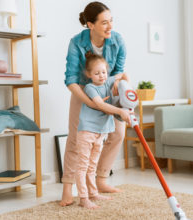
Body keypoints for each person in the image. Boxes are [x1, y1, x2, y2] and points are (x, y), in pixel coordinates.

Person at [61, 1, 129, 206]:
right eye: (104, 23)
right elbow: (71, 80)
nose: (110, 27)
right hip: (83, 91)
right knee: (75, 139)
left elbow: (119, 69)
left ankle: (100, 180)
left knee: (118, 133)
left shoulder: (117, 40)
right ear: (90, 25)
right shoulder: (77, 42)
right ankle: (67, 189)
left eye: (111, 21)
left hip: (109, 88)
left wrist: (117, 85)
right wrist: (91, 103)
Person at [75, 53, 129, 209]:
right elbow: (101, 105)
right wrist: (120, 112)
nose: (101, 76)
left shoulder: (107, 83)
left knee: (92, 166)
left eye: (104, 72)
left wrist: (124, 87)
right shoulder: (90, 88)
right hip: (87, 131)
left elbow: (124, 74)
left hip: (100, 132)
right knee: (83, 166)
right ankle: (83, 198)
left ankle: (93, 193)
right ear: (89, 74)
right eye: (97, 73)